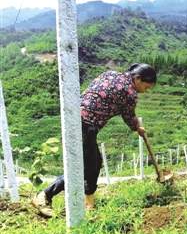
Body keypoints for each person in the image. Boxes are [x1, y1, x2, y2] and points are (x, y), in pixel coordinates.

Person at [32, 63, 156, 216]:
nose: (145, 91)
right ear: (137, 78)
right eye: (146, 87)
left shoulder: (110, 74)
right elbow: (129, 116)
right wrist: (137, 128)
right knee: (86, 167)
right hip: (86, 125)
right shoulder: (129, 92)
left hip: (73, 117)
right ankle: (45, 196)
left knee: (92, 163)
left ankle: (88, 203)